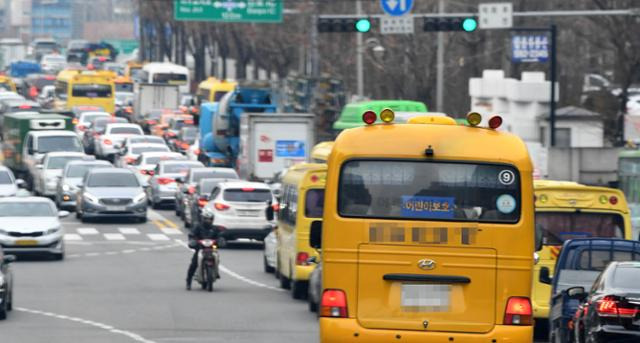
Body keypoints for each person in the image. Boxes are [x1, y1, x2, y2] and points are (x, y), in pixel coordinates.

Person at [186, 224, 220, 290]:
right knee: (194, 264)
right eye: (206, 219)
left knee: (217, 257)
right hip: (200, 248)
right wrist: (193, 241)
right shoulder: (198, 227)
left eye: (209, 219)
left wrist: (220, 240)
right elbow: (192, 235)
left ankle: (216, 272)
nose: (208, 221)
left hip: (212, 248)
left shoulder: (214, 228)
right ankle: (188, 281)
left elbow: (220, 236)